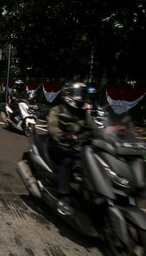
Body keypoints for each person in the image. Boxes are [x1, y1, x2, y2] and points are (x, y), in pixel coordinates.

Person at [47, 81, 99, 216]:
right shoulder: (57, 110)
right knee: (67, 162)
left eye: (82, 93)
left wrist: (108, 135)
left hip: (79, 148)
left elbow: (94, 128)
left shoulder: (83, 113)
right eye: (77, 93)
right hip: (60, 146)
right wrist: (64, 136)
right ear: (67, 95)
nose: (80, 97)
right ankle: (64, 198)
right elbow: (53, 129)